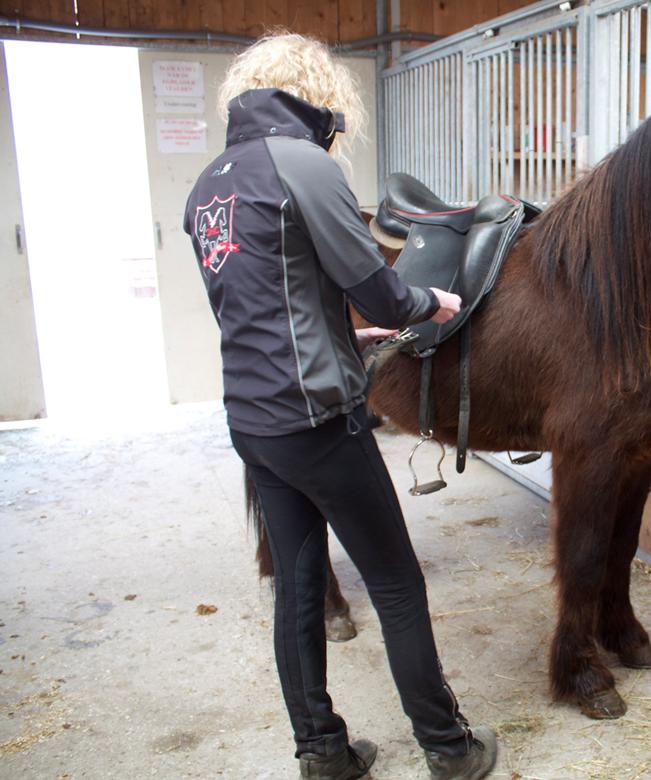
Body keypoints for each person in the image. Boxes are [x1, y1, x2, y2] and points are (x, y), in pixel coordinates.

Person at [182, 32, 497, 780]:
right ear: (317, 97)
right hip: (319, 420)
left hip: (253, 423)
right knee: (395, 582)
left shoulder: (208, 186)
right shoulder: (303, 166)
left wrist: (349, 331)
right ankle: (449, 749)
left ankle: (322, 752)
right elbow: (378, 286)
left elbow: (264, 303)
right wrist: (430, 301)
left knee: (296, 588)